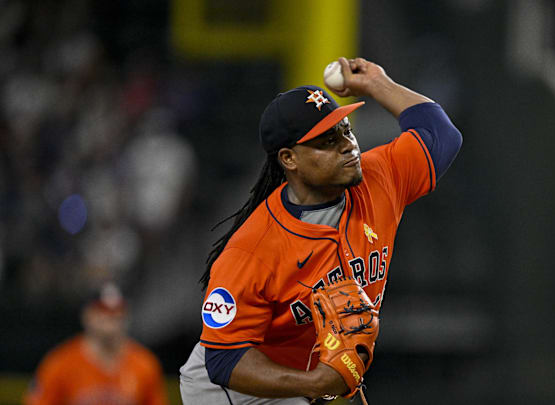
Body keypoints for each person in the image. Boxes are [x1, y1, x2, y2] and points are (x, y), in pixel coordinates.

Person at [179, 57, 462, 404]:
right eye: (326, 140)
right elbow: (223, 361)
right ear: (289, 159)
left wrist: (377, 83)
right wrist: (315, 383)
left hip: (304, 383)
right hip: (235, 393)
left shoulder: (379, 178)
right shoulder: (252, 249)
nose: (348, 144)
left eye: (345, 129)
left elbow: (441, 133)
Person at [25, 283, 169, 405]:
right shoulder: (60, 363)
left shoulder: (145, 364)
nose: (110, 317)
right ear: (87, 314)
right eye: (102, 309)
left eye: (117, 310)